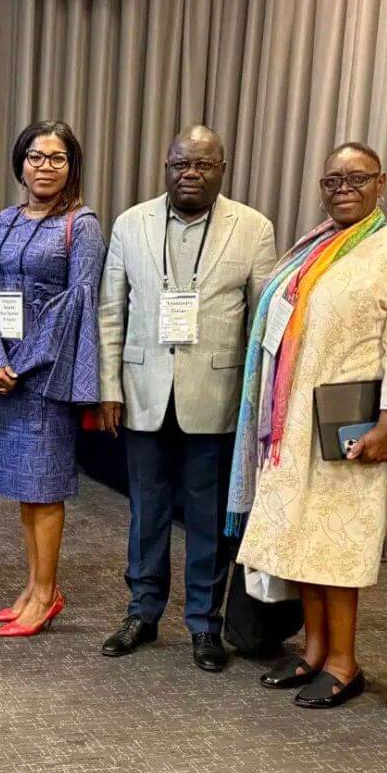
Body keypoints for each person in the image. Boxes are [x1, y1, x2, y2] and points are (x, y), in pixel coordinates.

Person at [231, 142, 387, 707]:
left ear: (382, 182)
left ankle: (345, 662)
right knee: (304, 541)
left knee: (339, 545)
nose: (344, 187)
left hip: (351, 423)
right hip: (294, 420)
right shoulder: (313, 245)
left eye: (357, 178)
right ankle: (314, 651)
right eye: (333, 180)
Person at [97, 125, 278, 672]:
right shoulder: (131, 223)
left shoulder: (253, 228)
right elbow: (111, 312)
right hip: (144, 392)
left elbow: (262, 323)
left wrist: (256, 405)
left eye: (202, 164)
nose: (190, 174)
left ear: (222, 168)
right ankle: (142, 612)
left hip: (217, 396)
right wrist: (109, 387)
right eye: (180, 164)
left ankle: (204, 624)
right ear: (166, 166)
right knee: (145, 511)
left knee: (206, 516)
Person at [0, 120, 105, 637]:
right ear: (20, 163)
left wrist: (23, 364)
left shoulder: (81, 224)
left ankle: (46, 594)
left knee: (46, 488)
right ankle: (35, 585)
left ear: (71, 166)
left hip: (47, 373)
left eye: (57, 158)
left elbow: (78, 302)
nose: (45, 166)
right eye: (36, 157)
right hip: (6, 372)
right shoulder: (3, 221)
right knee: (24, 487)